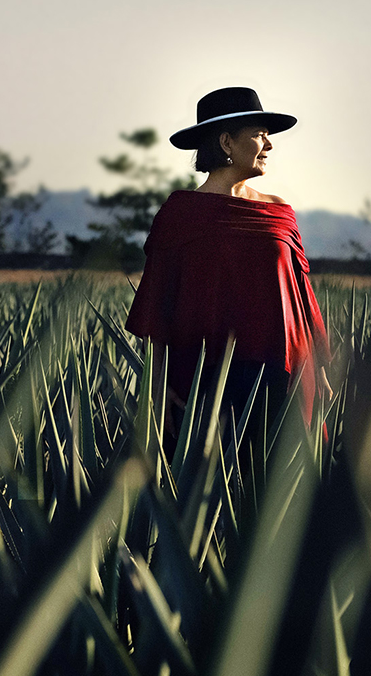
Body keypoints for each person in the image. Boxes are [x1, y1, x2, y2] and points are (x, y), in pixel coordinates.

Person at [125, 86, 331, 432]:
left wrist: (320, 372)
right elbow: (156, 310)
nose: (269, 146)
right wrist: (156, 390)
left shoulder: (279, 210)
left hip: (283, 374)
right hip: (204, 378)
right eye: (259, 136)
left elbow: (301, 298)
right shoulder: (180, 214)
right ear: (226, 143)